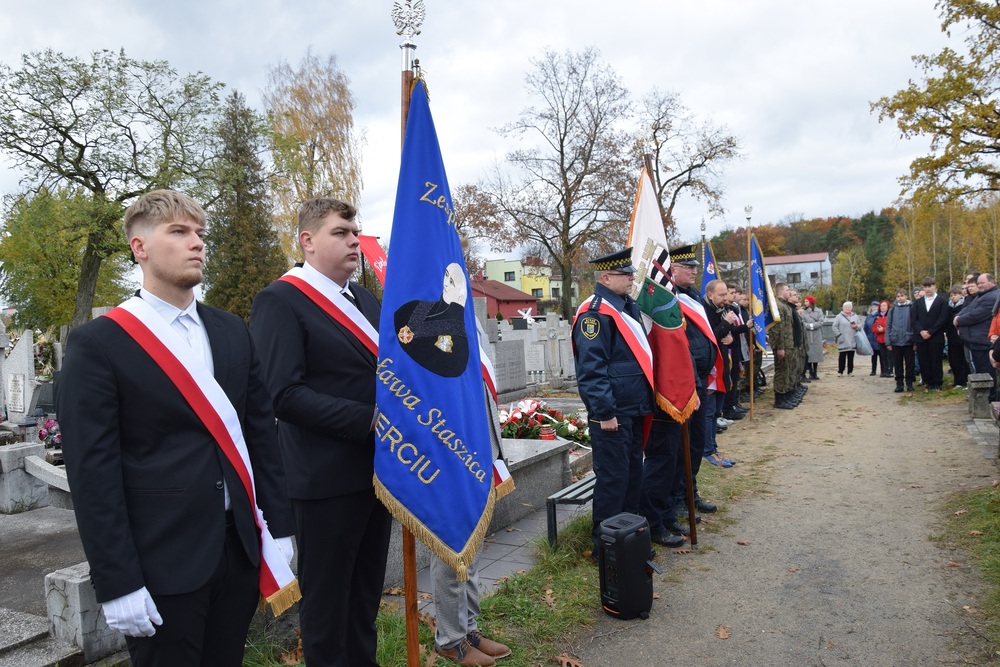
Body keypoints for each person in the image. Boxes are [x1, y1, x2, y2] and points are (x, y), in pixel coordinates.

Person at [56, 190, 295, 666]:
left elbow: (260, 436)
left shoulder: (231, 330)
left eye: (200, 234)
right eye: (179, 232)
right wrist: (117, 580)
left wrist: (280, 528)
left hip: (238, 549)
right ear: (139, 247)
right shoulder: (98, 344)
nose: (197, 244)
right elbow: (93, 473)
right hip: (160, 561)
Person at [250, 198, 392, 667]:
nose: (354, 240)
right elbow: (284, 395)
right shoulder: (281, 301)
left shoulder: (366, 300)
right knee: (328, 611)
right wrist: (366, 418)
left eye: (356, 231)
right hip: (324, 482)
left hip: (378, 475)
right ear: (307, 242)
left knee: (365, 600)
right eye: (341, 232)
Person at [572, 247, 653, 553]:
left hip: (633, 408)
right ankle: (606, 546)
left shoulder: (626, 306)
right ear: (605, 277)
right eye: (626, 274)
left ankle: (629, 539)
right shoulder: (595, 314)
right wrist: (604, 412)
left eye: (631, 272)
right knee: (613, 481)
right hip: (613, 414)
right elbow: (591, 369)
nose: (632, 277)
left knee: (633, 476)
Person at [955, 273, 1000, 400]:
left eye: (982, 283)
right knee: (979, 372)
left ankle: (989, 399)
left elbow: (976, 315)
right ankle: (983, 399)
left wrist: (959, 321)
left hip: (984, 341)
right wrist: (958, 317)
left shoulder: (992, 296)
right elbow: (967, 310)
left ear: (992, 282)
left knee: (986, 373)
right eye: (978, 283)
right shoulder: (981, 296)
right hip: (976, 340)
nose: (979, 285)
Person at [911, 277, 949, 390]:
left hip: (936, 336)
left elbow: (943, 319)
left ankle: (937, 382)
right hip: (921, 336)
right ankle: (928, 381)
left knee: (936, 360)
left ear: (935, 287)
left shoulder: (942, 302)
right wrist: (921, 331)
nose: (928, 289)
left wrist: (931, 331)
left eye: (930, 286)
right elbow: (914, 319)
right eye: (926, 287)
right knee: (924, 360)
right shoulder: (918, 302)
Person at [770, 282, 800, 409]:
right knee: (782, 371)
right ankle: (780, 398)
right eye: (787, 290)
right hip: (783, 345)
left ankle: (787, 394)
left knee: (788, 370)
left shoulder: (785, 306)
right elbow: (778, 328)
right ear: (781, 291)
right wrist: (780, 346)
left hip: (789, 344)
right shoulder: (778, 306)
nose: (789, 292)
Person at [885, 289, 916, 392]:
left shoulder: (911, 308)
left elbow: (915, 325)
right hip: (896, 340)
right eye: (898, 296)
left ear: (906, 296)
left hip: (909, 340)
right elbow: (888, 326)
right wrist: (888, 341)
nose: (900, 298)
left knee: (910, 363)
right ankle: (899, 383)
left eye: (902, 296)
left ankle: (909, 383)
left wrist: (915, 341)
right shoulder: (892, 310)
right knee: (897, 364)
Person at [832, 301, 862, 376]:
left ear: (851, 308)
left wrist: (856, 326)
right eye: (846, 307)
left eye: (849, 307)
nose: (848, 308)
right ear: (843, 308)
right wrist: (839, 335)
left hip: (852, 339)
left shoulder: (855, 316)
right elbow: (834, 327)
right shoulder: (839, 316)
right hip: (843, 339)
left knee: (851, 357)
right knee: (842, 357)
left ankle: (850, 371)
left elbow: (860, 325)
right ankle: (840, 371)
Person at [801, 295, 825, 380]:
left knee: (816, 354)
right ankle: (810, 371)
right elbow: (802, 322)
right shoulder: (804, 312)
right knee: (809, 353)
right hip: (807, 333)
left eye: (807, 301)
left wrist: (813, 326)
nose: (805, 303)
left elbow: (821, 321)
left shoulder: (818, 311)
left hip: (816, 334)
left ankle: (815, 372)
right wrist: (809, 326)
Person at [873, 301, 892, 377]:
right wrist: (878, 330)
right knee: (883, 356)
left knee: (890, 356)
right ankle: (884, 371)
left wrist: (883, 329)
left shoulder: (890, 316)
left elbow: (891, 327)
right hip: (880, 339)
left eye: (884, 306)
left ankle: (890, 371)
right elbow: (874, 328)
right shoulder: (878, 317)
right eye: (881, 306)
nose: (882, 307)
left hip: (889, 340)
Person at [863, 301, 882, 376]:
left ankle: (883, 370)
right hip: (871, 338)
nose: (874, 308)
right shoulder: (869, 316)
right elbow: (866, 327)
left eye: (876, 307)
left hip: (879, 338)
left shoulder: (881, 315)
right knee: (873, 356)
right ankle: (873, 370)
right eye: (873, 307)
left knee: (882, 356)